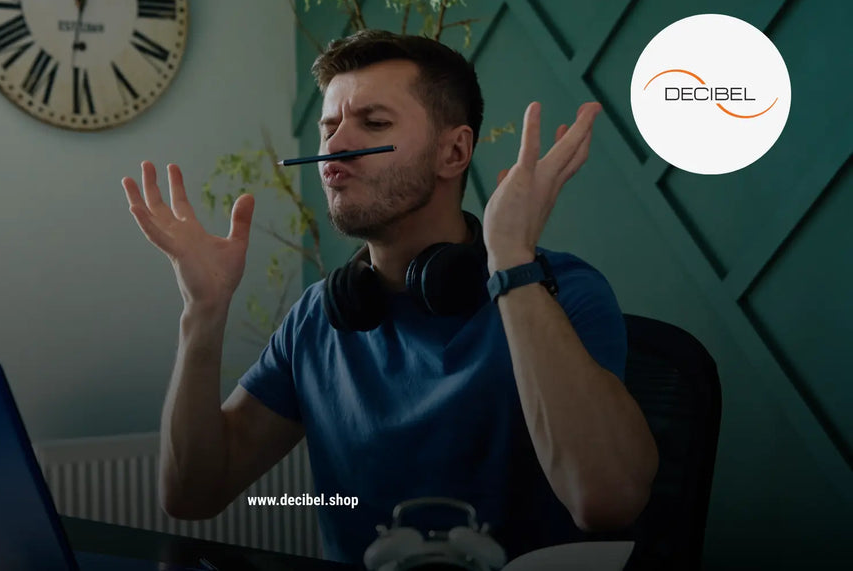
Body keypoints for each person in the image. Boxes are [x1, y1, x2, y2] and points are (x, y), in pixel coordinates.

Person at [122, 29, 658, 564]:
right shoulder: (317, 319)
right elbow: (192, 494)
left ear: (453, 152)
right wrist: (203, 310)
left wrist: (513, 263)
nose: (335, 146)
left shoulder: (562, 290)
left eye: (374, 123)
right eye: (329, 128)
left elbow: (607, 502)